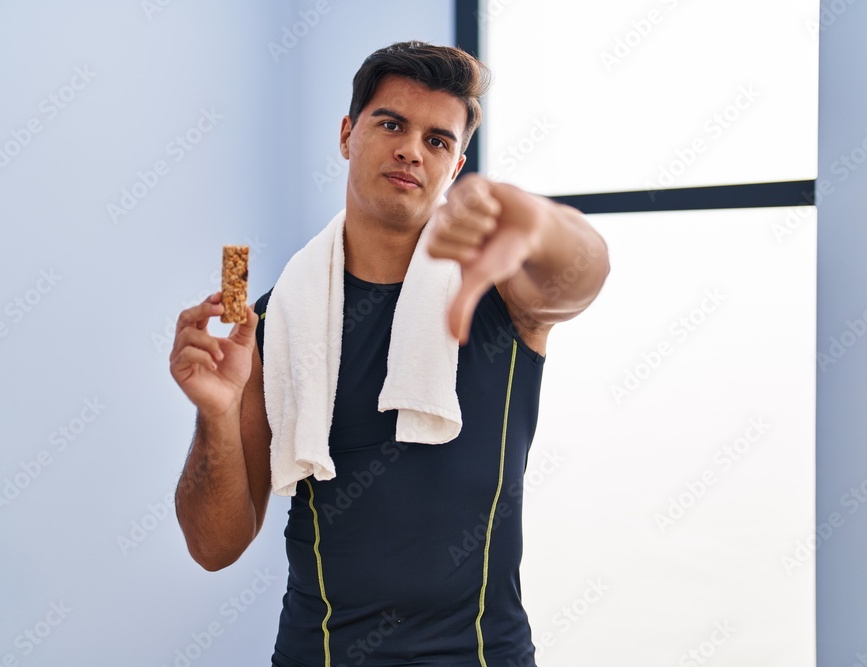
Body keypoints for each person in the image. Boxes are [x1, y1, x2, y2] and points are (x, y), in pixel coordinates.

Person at [171, 41, 610, 666]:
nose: (411, 149)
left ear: (456, 166)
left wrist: (539, 224)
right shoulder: (269, 323)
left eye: (438, 140)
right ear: (348, 134)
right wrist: (215, 412)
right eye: (391, 123)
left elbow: (583, 274)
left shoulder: (500, 291)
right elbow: (213, 548)